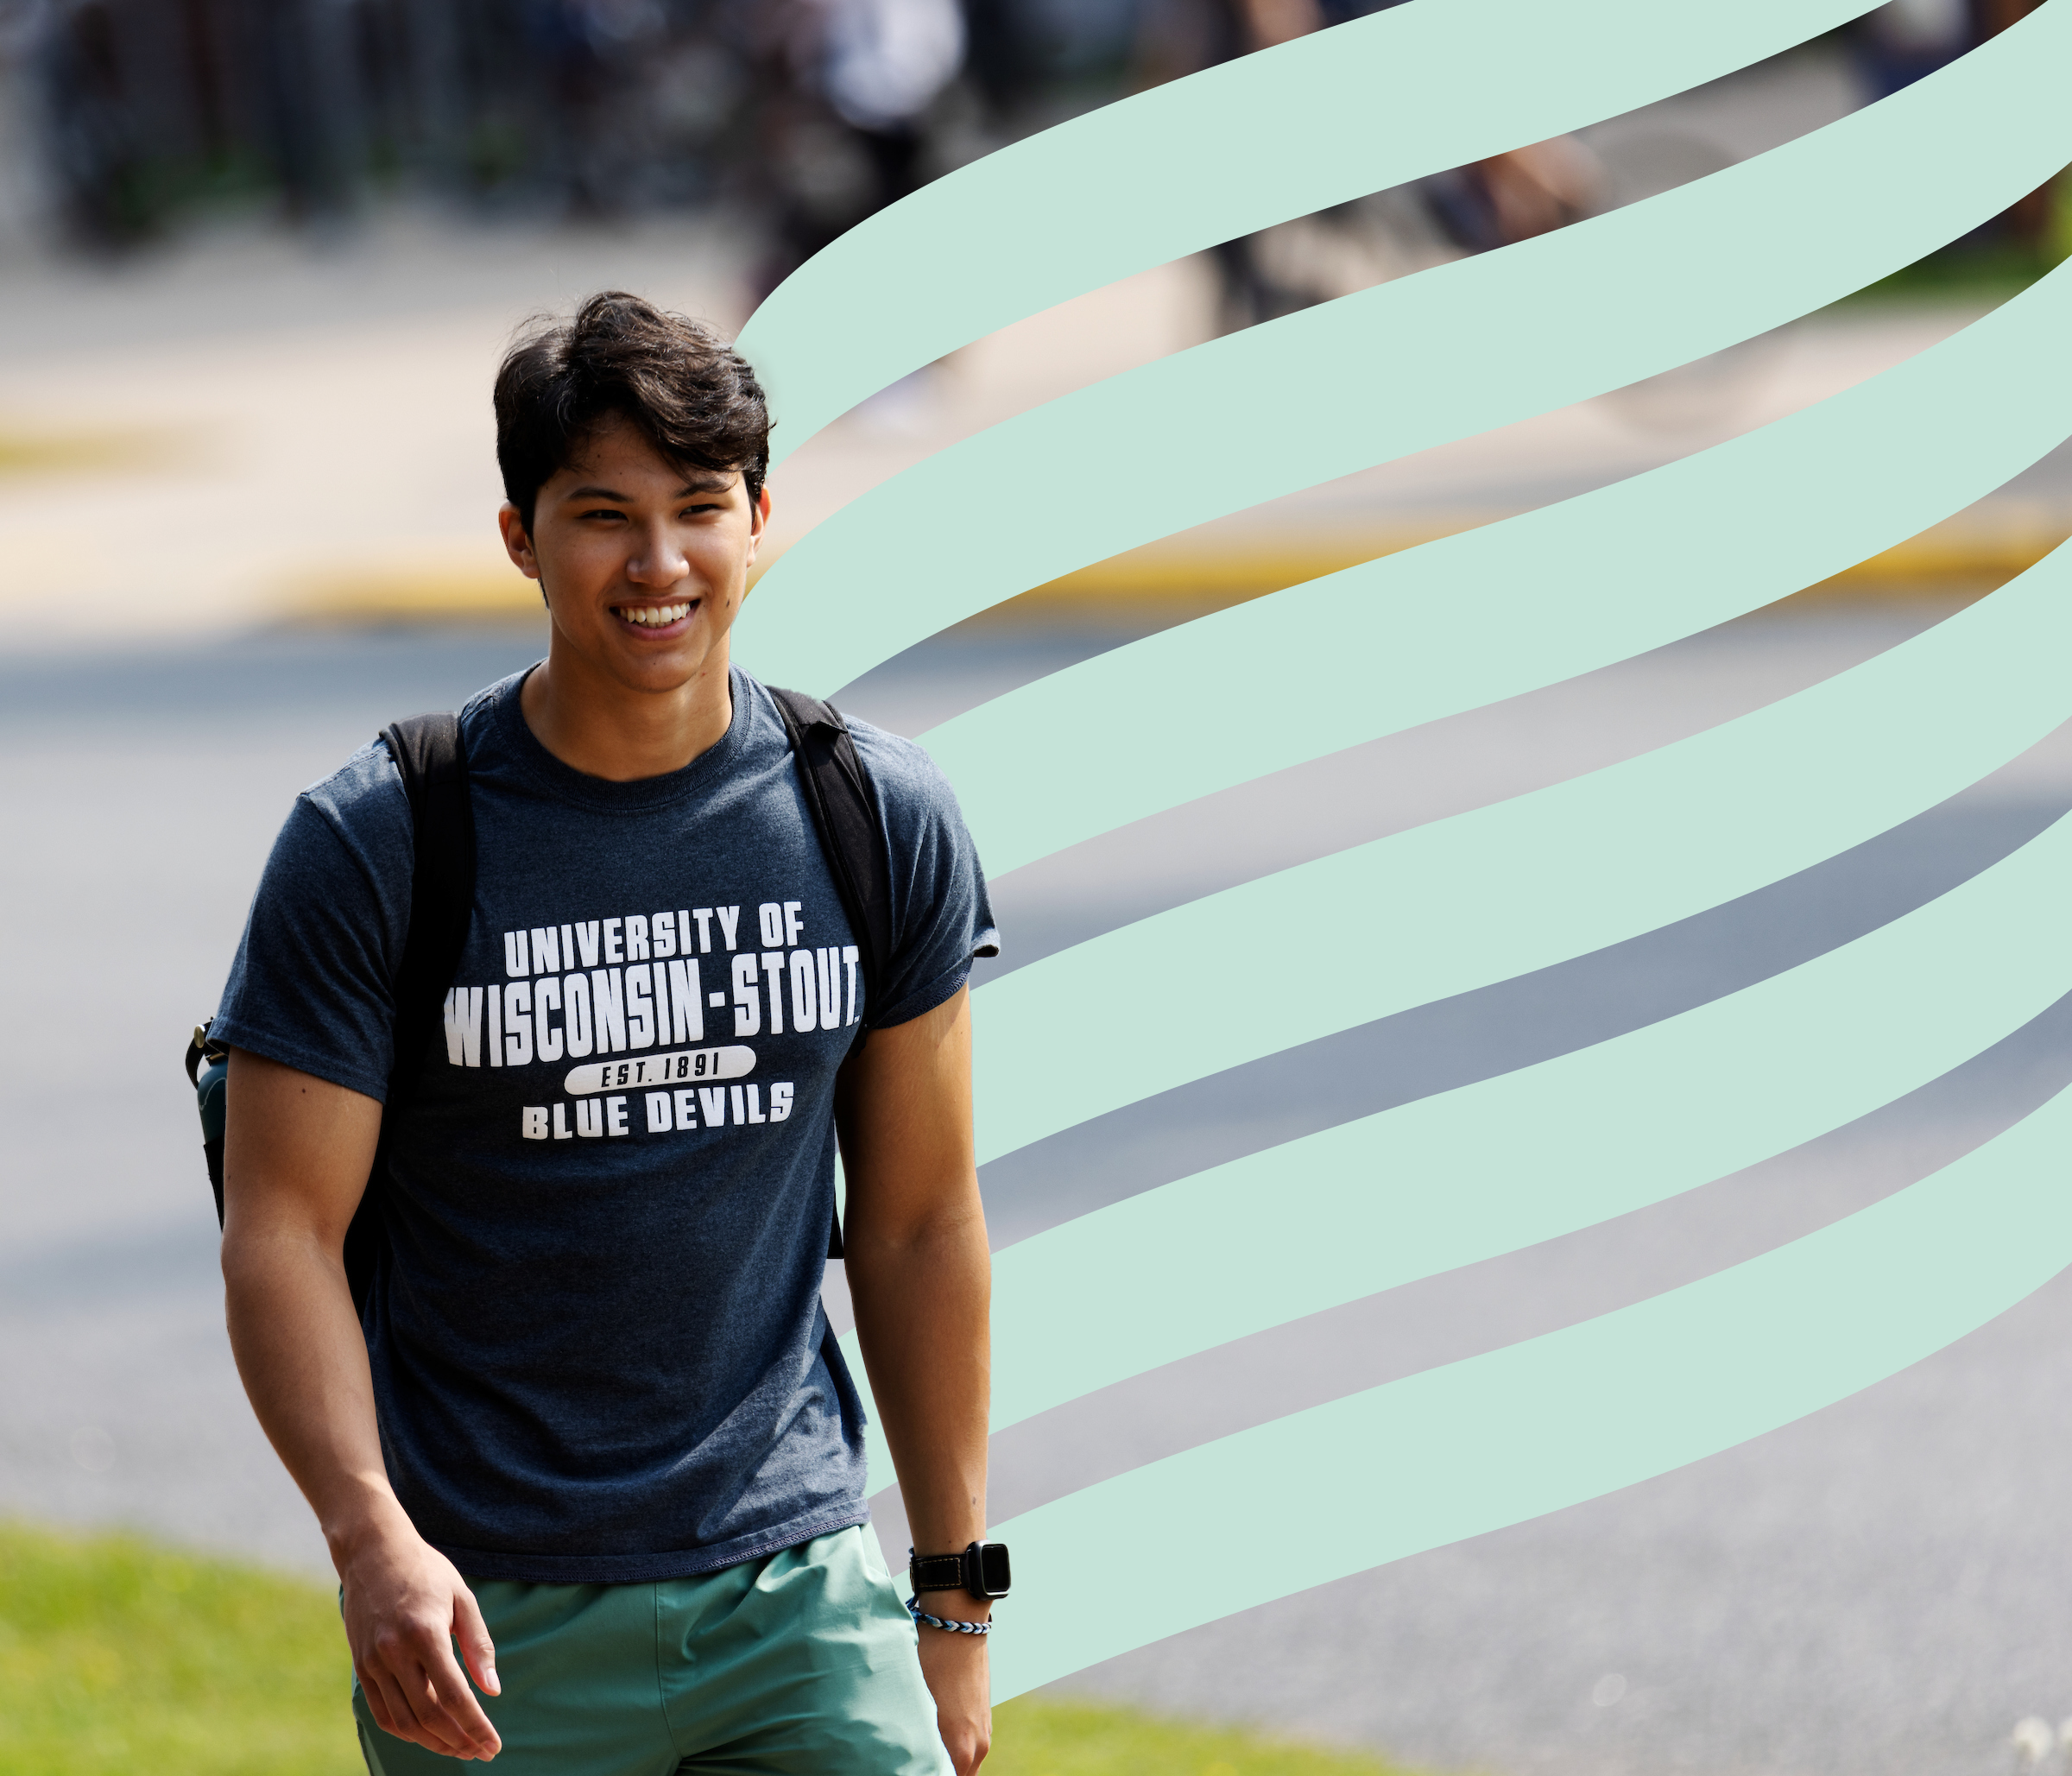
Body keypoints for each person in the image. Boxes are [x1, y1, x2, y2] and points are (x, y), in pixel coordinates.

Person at [212, 291, 1001, 1774]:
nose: (660, 565)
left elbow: (915, 1226)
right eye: (601, 516)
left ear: (761, 516)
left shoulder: (873, 815)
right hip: (491, 1624)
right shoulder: (381, 840)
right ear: (520, 536)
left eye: (700, 508)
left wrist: (952, 1601)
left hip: (798, 1592)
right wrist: (369, 1539)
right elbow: (281, 1233)